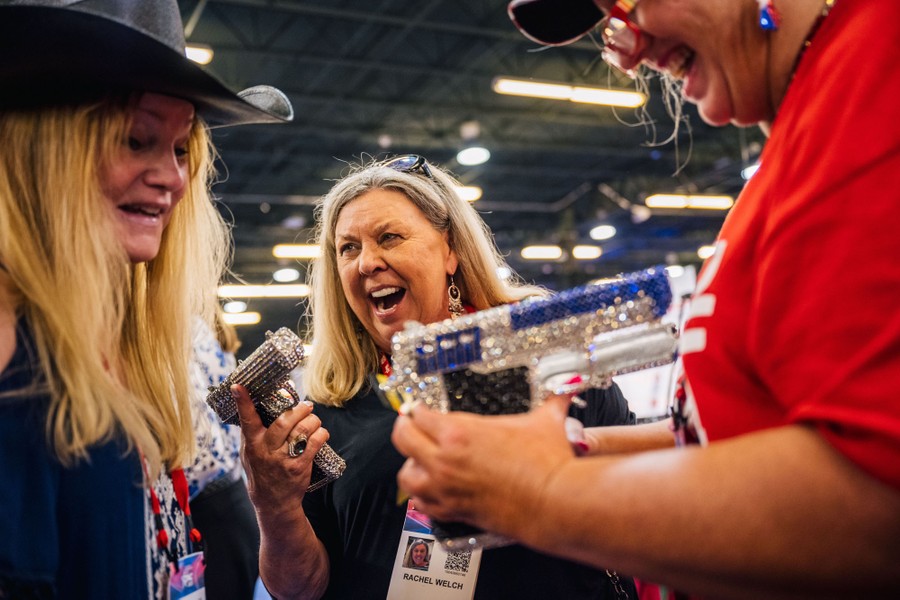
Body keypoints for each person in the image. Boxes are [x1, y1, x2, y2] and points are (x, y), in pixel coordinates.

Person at [391, 0, 900, 598]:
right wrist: (583, 451)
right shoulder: (817, 107)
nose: (629, 50)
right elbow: (751, 431)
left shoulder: (876, 64)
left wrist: (545, 494)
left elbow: (872, 503)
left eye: (629, 2)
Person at [233, 155, 639, 599]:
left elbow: (645, 504)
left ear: (451, 251)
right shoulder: (327, 411)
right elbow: (298, 589)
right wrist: (273, 506)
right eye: (348, 248)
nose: (367, 262)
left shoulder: (547, 359)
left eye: (389, 237)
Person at [0, 1, 292, 597]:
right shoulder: (10, 339)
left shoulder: (120, 344)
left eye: (181, 148)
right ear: (46, 150)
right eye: (137, 139)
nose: (173, 177)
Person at [186, 310, 261, 600]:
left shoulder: (189, 330)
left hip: (212, 504)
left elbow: (196, 445)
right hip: (230, 497)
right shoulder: (210, 334)